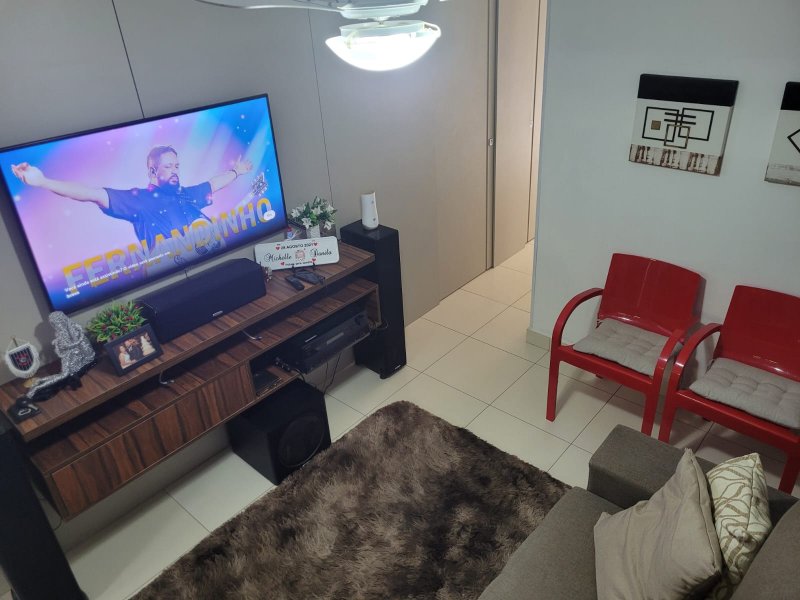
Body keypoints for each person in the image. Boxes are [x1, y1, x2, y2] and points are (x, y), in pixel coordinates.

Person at [10, 146, 252, 258]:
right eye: (169, 166)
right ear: (152, 171)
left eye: (177, 166)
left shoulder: (186, 194)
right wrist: (43, 181)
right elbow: (92, 193)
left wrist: (237, 172)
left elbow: (213, 183)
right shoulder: (139, 200)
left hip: (214, 259)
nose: (175, 171)